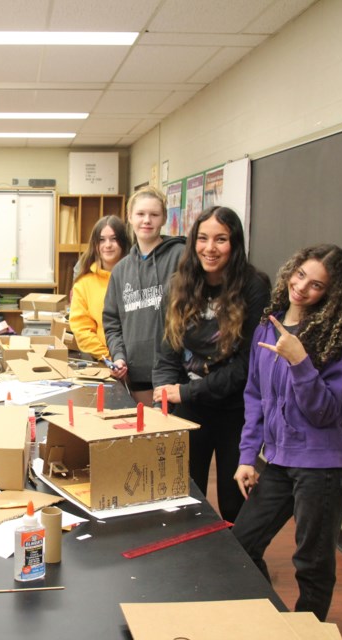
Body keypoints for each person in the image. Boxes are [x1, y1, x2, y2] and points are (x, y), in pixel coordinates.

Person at [231, 244, 342, 622]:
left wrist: (300, 360)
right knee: (241, 543)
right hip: (280, 460)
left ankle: (308, 629)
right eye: (300, 275)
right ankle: (275, 622)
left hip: (322, 467)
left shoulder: (336, 344)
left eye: (316, 285)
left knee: (312, 563)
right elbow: (254, 396)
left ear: (330, 295)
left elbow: (326, 413)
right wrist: (246, 457)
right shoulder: (265, 329)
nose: (301, 288)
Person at [151, 207, 269, 523]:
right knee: (185, 497)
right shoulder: (180, 283)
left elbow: (247, 367)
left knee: (235, 504)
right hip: (190, 407)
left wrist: (184, 393)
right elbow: (167, 352)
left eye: (221, 239)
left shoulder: (253, 286)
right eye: (202, 238)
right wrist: (163, 394)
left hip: (235, 410)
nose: (210, 248)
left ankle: (246, 567)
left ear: (235, 243)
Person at [102, 187, 185, 405]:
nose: (146, 221)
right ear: (129, 217)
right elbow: (112, 322)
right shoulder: (120, 271)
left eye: (154, 215)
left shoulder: (181, 257)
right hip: (135, 376)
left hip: (174, 375)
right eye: (140, 214)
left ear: (164, 218)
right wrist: (118, 356)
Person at [69, 215, 132, 360]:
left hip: (140, 363)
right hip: (106, 363)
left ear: (123, 242)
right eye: (102, 240)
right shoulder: (84, 284)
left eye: (114, 239)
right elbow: (82, 329)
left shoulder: (138, 277)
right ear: (95, 245)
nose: (108, 245)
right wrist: (110, 358)